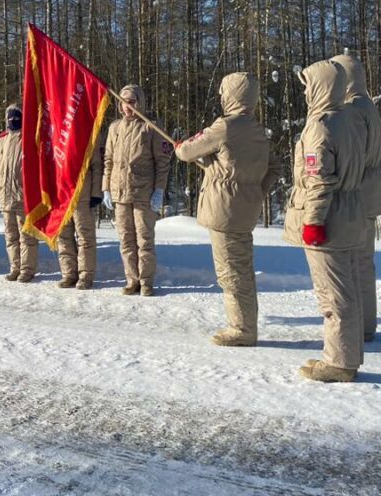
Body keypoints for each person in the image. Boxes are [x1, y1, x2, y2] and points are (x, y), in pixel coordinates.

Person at [175, 73, 280, 346]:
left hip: (224, 209)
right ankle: (245, 324)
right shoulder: (257, 130)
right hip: (245, 209)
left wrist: (181, 148)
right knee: (242, 268)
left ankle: (242, 330)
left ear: (232, 95)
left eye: (224, 93)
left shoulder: (225, 126)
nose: (221, 97)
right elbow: (275, 167)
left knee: (231, 272)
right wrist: (256, 190)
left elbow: (186, 152)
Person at [286, 60, 367, 382]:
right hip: (350, 212)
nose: (306, 92)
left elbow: (319, 179)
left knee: (333, 295)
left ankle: (340, 364)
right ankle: (343, 355)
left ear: (319, 86)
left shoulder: (320, 126)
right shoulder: (349, 119)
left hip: (329, 216)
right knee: (347, 290)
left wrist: (313, 220)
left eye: (308, 85)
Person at [102, 84, 172, 296]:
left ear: (139, 102)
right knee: (126, 239)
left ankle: (146, 281)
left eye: (131, 102)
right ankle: (132, 280)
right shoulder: (115, 128)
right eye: (124, 102)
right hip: (120, 193)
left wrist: (159, 190)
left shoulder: (151, 127)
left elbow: (163, 162)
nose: (127, 106)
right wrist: (106, 188)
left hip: (144, 194)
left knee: (144, 240)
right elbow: (108, 160)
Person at [331, 53, 381, 343]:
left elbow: (351, 154)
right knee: (363, 262)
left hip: (356, 194)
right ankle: (366, 325)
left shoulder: (353, 110)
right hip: (371, 192)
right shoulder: (369, 107)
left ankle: (359, 328)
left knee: (353, 263)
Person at [0, 105, 39, 283]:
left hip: (22, 195)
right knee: (11, 236)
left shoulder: (29, 137)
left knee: (26, 236)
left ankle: (27, 269)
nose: (13, 121)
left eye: (16, 117)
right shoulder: (2, 140)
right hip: (5, 195)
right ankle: (15, 267)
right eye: (10, 118)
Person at [57, 138, 103, 289]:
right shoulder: (57, 132)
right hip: (61, 194)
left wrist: (96, 192)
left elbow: (97, 165)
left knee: (85, 236)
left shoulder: (87, 131)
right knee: (63, 236)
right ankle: (69, 273)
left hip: (82, 193)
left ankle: (85, 275)